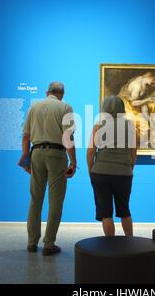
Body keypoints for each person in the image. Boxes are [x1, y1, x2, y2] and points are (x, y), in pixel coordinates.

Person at [19, 82, 77, 255]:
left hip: (36, 153)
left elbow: (25, 137)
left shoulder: (34, 107)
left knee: (35, 199)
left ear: (47, 92)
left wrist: (26, 158)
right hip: (56, 155)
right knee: (56, 200)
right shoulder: (65, 107)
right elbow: (68, 137)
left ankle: (31, 243)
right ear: (62, 93)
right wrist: (73, 161)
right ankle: (49, 244)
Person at [87, 96, 137, 236]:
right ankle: (130, 242)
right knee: (124, 211)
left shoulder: (99, 125)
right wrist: (129, 168)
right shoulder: (130, 125)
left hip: (100, 173)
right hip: (123, 173)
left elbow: (91, 151)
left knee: (105, 213)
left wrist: (91, 170)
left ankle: (110, 248)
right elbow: (133, 152)